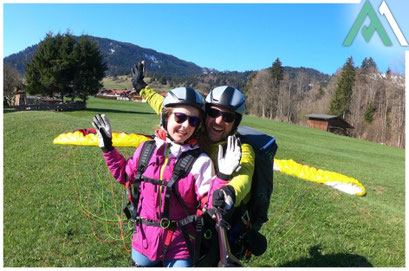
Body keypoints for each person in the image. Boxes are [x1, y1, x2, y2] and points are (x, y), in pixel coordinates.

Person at [92, 86, 242, 267]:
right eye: (180, 117)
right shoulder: (146, 151)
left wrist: (223, 176)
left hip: (180, 246)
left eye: (193, 121)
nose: (186, 125)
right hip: (143, 242)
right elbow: (124, 175)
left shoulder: (201, 162)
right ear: (166, 117)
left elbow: (210, 206)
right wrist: (108, 148)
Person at [131, 61, 255, 221]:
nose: (218, 121)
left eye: (228, 117)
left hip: (222, 214)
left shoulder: (240, 148)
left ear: (235, 123)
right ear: (205, 114)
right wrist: (141, 87)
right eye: (213, 112)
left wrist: (230, 191)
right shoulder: (196, 128)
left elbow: (245, 175)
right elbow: (169, 108)